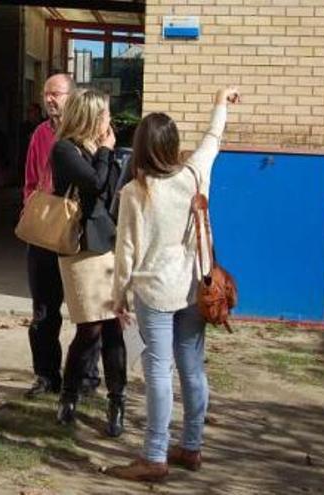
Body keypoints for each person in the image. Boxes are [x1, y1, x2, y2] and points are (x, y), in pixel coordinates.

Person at [107, 87, 240, 482]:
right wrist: (219, 102)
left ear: (141, 148)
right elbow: (213, 139)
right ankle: (192, 447)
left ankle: (154, 455)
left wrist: (118, 297)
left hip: (155, 293)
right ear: (174, 143)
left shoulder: (134, 191)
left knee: (159, 372)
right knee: (192, 368)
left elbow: (126, 251)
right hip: (195, 290)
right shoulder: (196, 172)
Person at [21, 73, 102, 399]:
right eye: (46, 94)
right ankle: (46, 375)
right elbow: (29, 180)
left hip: (82, 235)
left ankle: (86, 378)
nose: (49, 100)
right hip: (45, 233)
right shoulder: (40, 134)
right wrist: (34, 213)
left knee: (89, 309)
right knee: (43, 311)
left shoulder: (91, 134)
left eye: (56, 93)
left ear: (73, 96)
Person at [52, 88, 127, 437]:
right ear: (92, 116)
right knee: (89, 327)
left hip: (109, 245)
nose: (110, 120)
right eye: (106, 114)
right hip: (81, 249)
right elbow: (94, 184)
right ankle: (68, 396)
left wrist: (110, 156)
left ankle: (117, 401)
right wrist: (107, 153)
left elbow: (112, 193)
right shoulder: (65, 149)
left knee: (113, 326)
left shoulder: (103, 150)